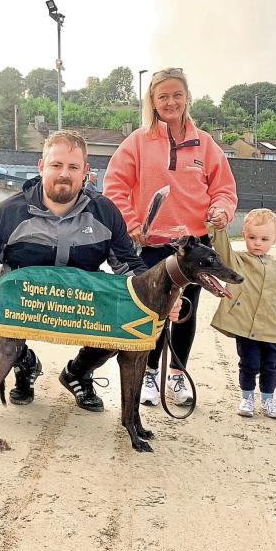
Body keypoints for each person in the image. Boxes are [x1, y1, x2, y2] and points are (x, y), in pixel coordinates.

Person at [0, 130, 154, 410]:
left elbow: (128, 265)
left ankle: (79, 371)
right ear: (41, 167)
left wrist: (154, 298)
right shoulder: (11, 211)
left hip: (81, 304)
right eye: (56, 165)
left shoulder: (104, 211)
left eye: (73, 167)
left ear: (85, 171)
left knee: (125, 312)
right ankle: (22, 362)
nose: (64, 174)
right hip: (25, 301)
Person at [103, 67, 238, 406]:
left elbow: (223, 189)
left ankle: (177, 376)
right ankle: (148, 372)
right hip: (151, 246)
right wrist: (132, 222)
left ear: (187, 98)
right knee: (153, 311)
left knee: (185, 310)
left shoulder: (205, 143)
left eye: (177, 94)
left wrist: (222, 210)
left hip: (193, 246)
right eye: (162, 96)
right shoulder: (137, 141)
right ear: (152, 100)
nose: (170, 101)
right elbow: (115, 186)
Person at [210, 209, 276, 419]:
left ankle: (268, 400)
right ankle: (247, 397)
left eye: (264, 239)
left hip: (271, 329)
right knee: (249, 364)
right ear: (244, 235)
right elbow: (223, 250)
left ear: (275, 239)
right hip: (246, 327)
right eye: (252, 237)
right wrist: (218, 228)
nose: (257, 243)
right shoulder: (238, 262)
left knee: (271, 366)